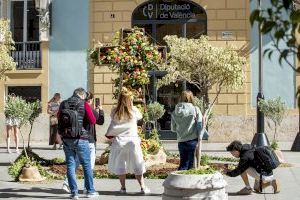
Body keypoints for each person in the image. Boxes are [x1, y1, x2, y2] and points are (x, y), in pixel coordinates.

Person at [105, 89, 150, 194]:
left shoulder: (114, 110)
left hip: (119, 141)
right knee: (137, 164)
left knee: (121, 165)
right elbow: (140, 117)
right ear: (130, 100)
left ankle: (123, 188)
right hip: (132, 140)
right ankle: (143, 187)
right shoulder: (134, 110)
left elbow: (112, 118)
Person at [58, 88, 99, 199]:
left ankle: (74, 193)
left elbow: (58, 118)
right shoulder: (84, 104)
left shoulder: (63, 103)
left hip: (66, 138)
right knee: (86, 165)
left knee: (70, 165)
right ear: (81, 95)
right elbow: (93, 121)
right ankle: (90, 190)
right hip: (81, 138)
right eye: (84, 96)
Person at [171, 90, 203, 170]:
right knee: (191, 166)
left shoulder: (175, 111)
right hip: (192, 140)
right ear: (191, 98)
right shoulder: (195, 109)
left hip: (181, 140)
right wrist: (200, 136)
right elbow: (200, 125)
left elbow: (173, 129)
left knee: (183, 164)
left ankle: (178, 181)